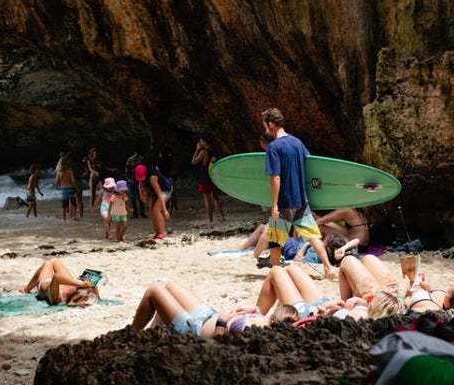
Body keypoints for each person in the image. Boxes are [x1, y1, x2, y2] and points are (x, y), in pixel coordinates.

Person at [261, 107, 336, 279]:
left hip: (285, 201)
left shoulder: (273, 148)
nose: (265, 129)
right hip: (301, 199)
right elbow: (310, 165)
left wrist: (274, 204)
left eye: (266, 125)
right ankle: (328, 267)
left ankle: (276, 272)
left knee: (275, 239)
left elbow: (275, 178)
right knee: (313, 235)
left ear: (271, 124)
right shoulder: (297, 142)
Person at [131, 281, 298, 337]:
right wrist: (254, 310)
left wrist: (222, 321)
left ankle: (131, 334)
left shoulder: (252, 331)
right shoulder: (264, 322)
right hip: (207, 315)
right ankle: (154, 331)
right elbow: (257, 315)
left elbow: (219, 348)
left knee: (154, 290)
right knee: (171, 287)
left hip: (193, 329)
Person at [256, 264, 345, 320]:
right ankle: (279, 315)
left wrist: (320, 309)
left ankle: (255, 319)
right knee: (292, 268)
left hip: (310, 316)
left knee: (276, 271)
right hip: (324, 307)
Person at [337, 254, 403, 319]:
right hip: (394, 299)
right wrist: (402, 293)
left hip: (380, 304)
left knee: (348, 260)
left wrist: (364, 302)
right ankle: (348, 304)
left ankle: (346, 305)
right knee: (368, 258)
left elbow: (383, 309)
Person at [19, 259, 100, 307]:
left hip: (46, 283)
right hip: (63, 282)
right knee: (56, 262)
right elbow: (94, 292)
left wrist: (80, 284)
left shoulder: (56, 298)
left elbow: (56, 277)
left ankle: (26, 289)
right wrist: (91, 284)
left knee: (47, 263)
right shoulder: (78, 290)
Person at [191, 137, 225, 223]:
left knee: (207, 199)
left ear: (205, 142)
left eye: (201, 141)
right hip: (213, 176)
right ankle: (222, 216)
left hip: (205, 176)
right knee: (215, 197)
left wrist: (196, 150)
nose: (200, 142)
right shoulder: (215, 152)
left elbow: (194, 162)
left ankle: (210, 219)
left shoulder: (203, 152)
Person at [137, 158, 172, 240]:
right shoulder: (144, 176)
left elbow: (160, 194)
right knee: (151, 211)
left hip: (165, 190)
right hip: (154, 191)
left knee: (156, 209)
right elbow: (140, 182)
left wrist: (164, 210)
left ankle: (163, 233)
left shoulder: (152, 177)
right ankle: (157, 232)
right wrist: (141, 195)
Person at [125, 143, 146, 219]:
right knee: (140, 197)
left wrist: (128, 180)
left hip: (132, 181)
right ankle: (142, 213)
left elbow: (127, 172)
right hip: (139, 180)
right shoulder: (142, 159)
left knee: (132, 197)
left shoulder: (130, 159)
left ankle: (135, 213)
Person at [55, 153, 78, 221]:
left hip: (63, 190)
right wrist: (76, 187)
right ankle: (74, 217)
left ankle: (64, 219)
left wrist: (61, 180)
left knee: (64, 206)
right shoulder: (70, 171)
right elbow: (73, 180)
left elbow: (56, 182)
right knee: (74, 204)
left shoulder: (59, 172)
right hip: (70, 189)